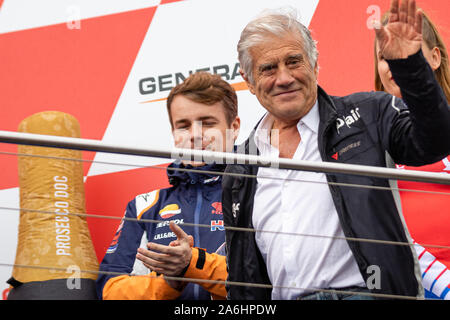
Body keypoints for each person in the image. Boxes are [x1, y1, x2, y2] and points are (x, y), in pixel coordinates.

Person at [222, 0, 450, 300]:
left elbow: (435, 140)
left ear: (315, 65)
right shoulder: (240, 167)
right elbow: (242, 275)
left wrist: (409, 67)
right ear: (249, 81)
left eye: (294, 61)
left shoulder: (369, 114)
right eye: (268, 68)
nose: (284, 78)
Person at [96, 72, 238, 300]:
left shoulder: (258, 191)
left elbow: (273, 282)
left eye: (208, 123)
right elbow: (109, 291)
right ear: (174, 134)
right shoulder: (145, 206)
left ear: (234, 127)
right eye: (183, 126)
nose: (195, 135)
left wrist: (193, 263)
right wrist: (170, 281)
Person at [374, 8, 450, 300]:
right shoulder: (366, 138)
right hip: (406, 287)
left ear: (434, 57)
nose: (396, 61)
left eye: (409, 50)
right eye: (385, 56)